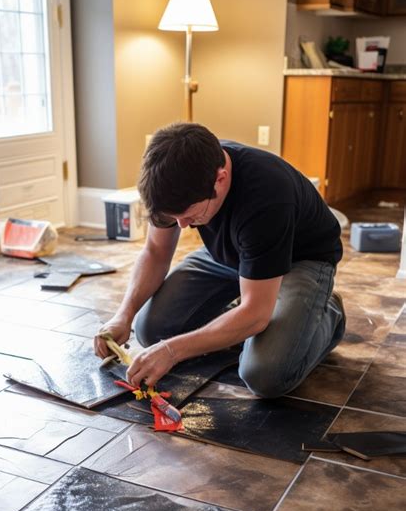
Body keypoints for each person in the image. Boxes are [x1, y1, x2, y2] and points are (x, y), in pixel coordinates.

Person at [94, 122, 345, 397]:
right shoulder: (174, 178)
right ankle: (243, 312)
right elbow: (155, 252)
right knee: (150, 329)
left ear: (221, 179)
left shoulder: (267, 196)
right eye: (173, 217)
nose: (182, 225)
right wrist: (124, 314)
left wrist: (173, 350)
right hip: (233, 256)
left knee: (265, 375)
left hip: (301, 259)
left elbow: (256, 315)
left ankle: (328, 315)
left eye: (190, 215)